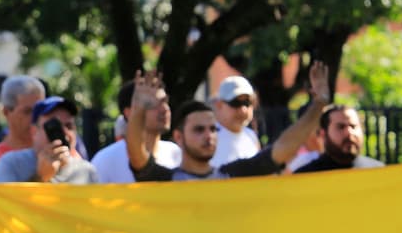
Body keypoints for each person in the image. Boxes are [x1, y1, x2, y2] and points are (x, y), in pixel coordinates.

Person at [128, 62, 332, 181]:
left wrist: (319, 104)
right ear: (178, 137)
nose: (208, 135)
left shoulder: (231, 174)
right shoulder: (166, 180)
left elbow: (283, 149)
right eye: (199, 130)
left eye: (212, 129)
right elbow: (138, 157)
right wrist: (138, 111)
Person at [0, 95, 98, 183]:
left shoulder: (87, 171)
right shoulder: (12, 164)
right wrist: (40, 178)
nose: (64, 132)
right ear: (34, 131)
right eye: (53, 127)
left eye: (69, 126)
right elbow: (0, 205)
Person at [92, 77, 180, 182]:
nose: (165, 109)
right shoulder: (105, 160)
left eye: (165, 101)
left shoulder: (176, 153)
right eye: (152, 104)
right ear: (129, 113)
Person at [293, 106, 386, 174]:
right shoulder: (305, 177)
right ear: (323, 134)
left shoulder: (378, 171)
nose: (349, 133)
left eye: (353, 126)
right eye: (340, 127)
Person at [211, 75, 261, 167]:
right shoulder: (208, 137)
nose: (243, 110)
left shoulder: (251, 136)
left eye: (247, 103)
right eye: (235, 103)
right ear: (219, 105)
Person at [0, 76, 47, 158]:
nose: (35, 118)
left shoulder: (54, 153)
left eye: (39, 110)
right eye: (27, 111)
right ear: (6, 112)